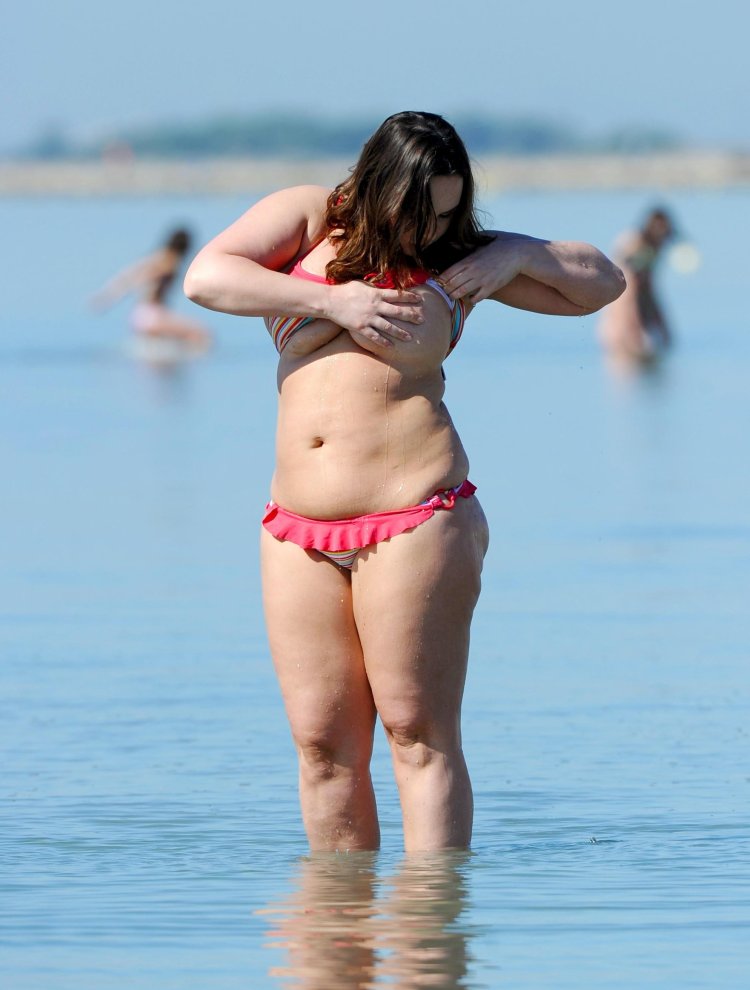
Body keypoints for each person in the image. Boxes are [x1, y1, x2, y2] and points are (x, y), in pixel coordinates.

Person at [184, 111, 625, 852]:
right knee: (322, 747)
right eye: (421, 211)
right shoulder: (308, 215)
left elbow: (602, 284)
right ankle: (338, 942)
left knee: (418, 733)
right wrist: (332, 300)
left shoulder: (462, 256)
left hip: (416, 516)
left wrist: (513, 252)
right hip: (297, 527)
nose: (432, 229)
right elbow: (205, 278)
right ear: (379, 185)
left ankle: (431, 938)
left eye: (449, 212)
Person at [92, 227, 213, 353]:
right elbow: (140, 278)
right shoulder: (168, 262)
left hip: (142, 315)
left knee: (158, 358)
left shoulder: (157, 257)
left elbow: (128, 277)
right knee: (200, 334)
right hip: (152, 317)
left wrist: (107, 297)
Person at [598, 206, 676, 364]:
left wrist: (662, 325)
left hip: (635, 309)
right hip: (621, 313)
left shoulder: (652, 246)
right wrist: (635, 331)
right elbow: (629, 291)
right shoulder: (635, 244)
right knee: (626, 360)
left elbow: (649, 288)